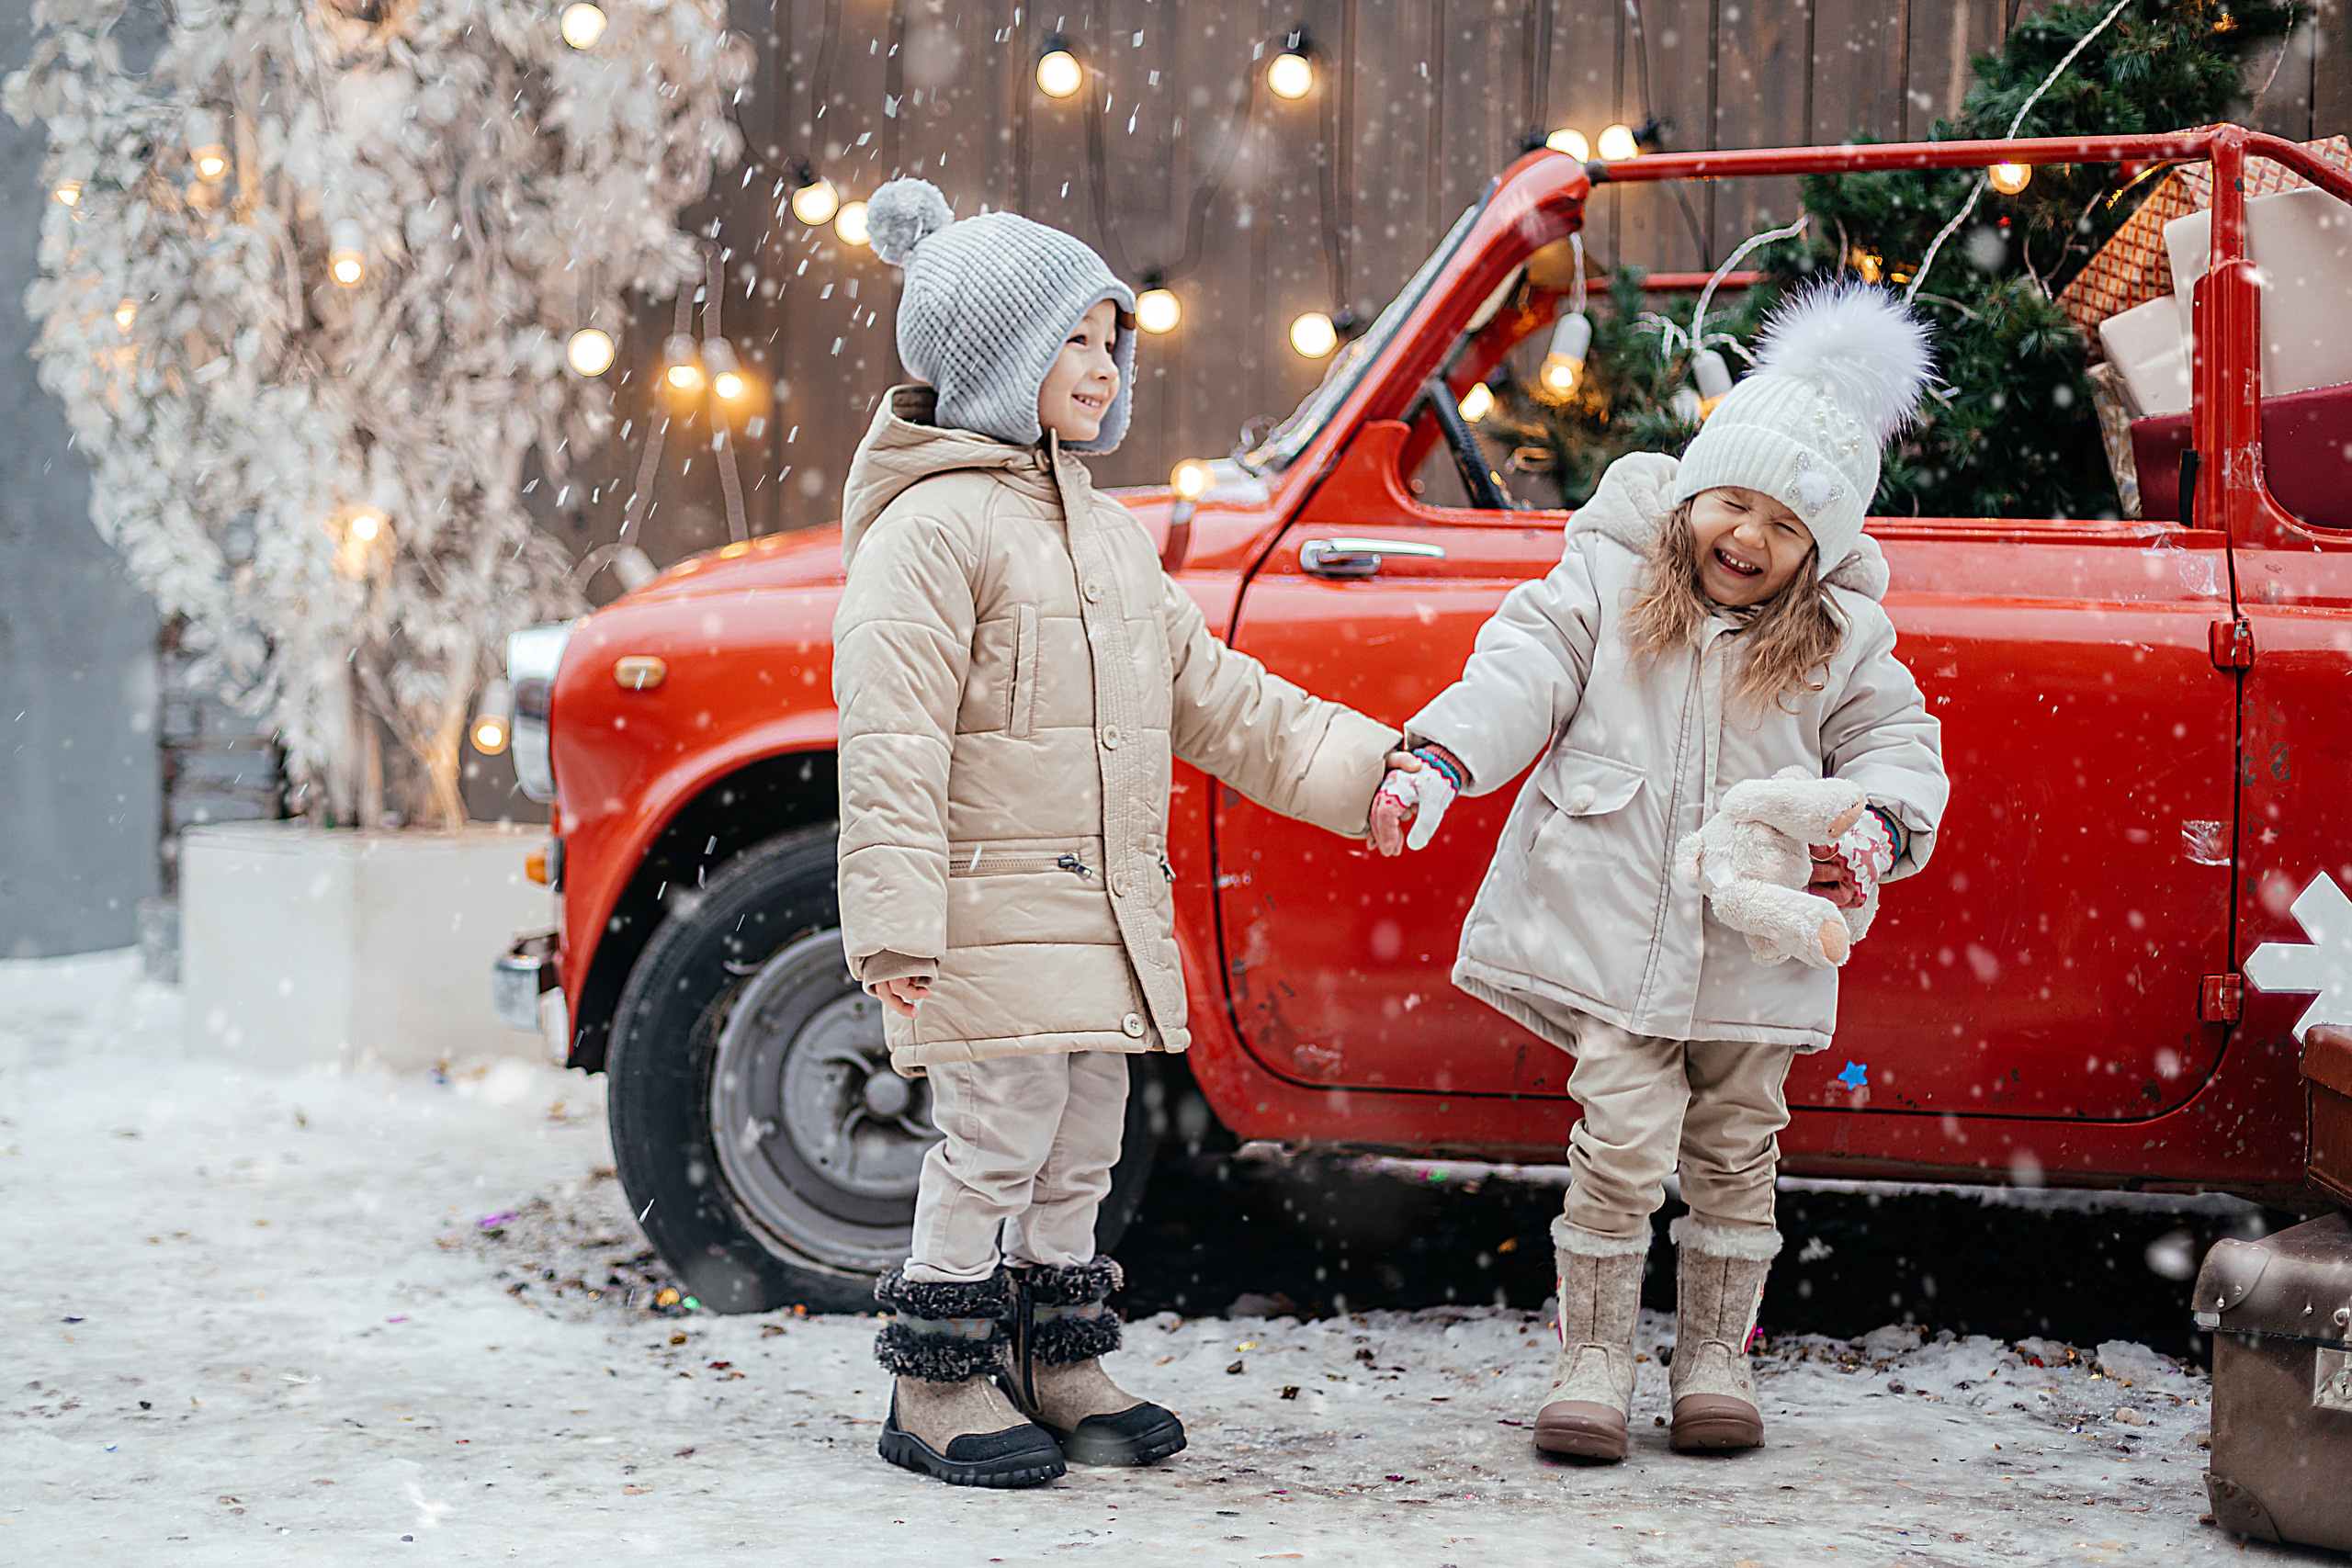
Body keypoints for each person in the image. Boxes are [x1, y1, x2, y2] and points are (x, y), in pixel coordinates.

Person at [833, 177, 1401, 1488]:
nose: (1104, 364)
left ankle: (1055, 1355)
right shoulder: (929, 533)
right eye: (1075, 340)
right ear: (997, 360)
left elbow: (1214, 693)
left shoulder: (1104, 533)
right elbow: (893, 742)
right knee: (994, 1131)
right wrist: (897, 926)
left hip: (1092, 913)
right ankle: (935, 1381)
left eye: (1109, 340)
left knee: (1084, 1131)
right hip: (979, 917)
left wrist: (1363, 768)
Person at [1369, 282, 1949, 1462]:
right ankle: (1593, 1356)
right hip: (1618, 930)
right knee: (1620, 1141)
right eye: (1733, 504)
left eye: (1787, 527)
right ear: (1692, 494)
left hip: (1755, 943)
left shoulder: (1845, 641)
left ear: (1818, 551)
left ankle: (1713, 1357)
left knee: (1738, 1150)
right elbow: (1518, 668)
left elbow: (1898, 746)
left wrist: (1879, 823)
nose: (1750, 539)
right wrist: (1439, 752)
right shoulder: (1607, 580)